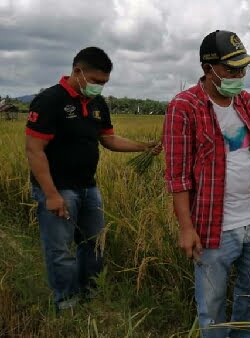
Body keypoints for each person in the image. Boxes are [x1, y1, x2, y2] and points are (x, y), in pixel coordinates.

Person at [162, 30, 250, 338]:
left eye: (243, 68)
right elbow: (178, 176)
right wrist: (186, 228)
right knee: (212, 306)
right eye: (231, 69)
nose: (240, 75)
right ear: (208, 69)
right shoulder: (184, 106)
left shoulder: (246, 102)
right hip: (213, 227)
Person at [25, 47, 161, 310]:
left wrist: (144, 146)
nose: (100, 87)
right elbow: (34, 150)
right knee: (61, 250)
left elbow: (108, 139)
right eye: (96, 81)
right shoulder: (49, 101)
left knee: (95, 244)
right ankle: (66, 302)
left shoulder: (97, 104)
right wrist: (51, 194)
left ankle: (90, 295)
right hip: (57, 188)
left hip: (88, 187)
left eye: (104, 83)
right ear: (78, 71)